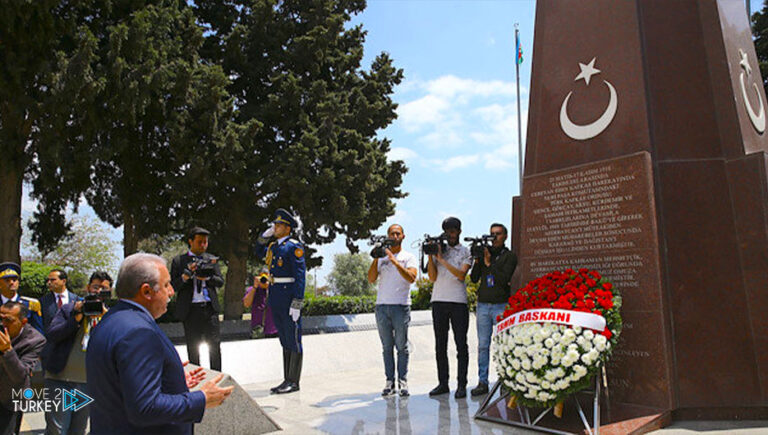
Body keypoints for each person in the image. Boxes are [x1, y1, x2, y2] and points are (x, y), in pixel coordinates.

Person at [86, 253, 233, 434]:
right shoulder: (138, 332)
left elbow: (120, 384)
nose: (171, 291)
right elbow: (145, 408)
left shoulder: (110, 321)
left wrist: (170, 382)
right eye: (166, 285)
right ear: (146, 291)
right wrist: (202, 399)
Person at [41, 271, 112, 435]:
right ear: (88, 288)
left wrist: (105, 317)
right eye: (95, 287)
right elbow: (52, 334)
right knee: (57, 430)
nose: (98, 291)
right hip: (60, 379)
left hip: (88, 383)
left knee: (78, 430)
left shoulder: (110, 316)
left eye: (103, 288)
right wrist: (76, 318)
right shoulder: (69, 308)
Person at [255, 208, 306, 394]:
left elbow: (300, 277)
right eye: (274, 225)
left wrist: (297, 303)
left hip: (288, 296)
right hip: (275, 296)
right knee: (284, 339)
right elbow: (258, 251)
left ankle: (294, 381)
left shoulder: (294, 247)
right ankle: (287, 379)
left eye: (279, 225)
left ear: (288, 228)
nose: (275, 228)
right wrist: (263, 236)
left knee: (293, 339)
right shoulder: (274, 247)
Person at [367, 224, 418, 397]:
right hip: (382, 306)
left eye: (397, 233)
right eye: (391, 233)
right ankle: (389, 381)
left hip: (401, 306)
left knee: (401, 346)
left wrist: (395, 262)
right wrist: (376, 257)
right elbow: (371, 278)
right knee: (386, 347)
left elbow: (411, 278)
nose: (394, 236)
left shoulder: (408, 257)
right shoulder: (381, 257)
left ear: (403, 236)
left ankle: (403, 381)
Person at [468, 223, 517, 396]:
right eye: (491, 234)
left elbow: (504, 279)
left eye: (498, 234)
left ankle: (506, 380)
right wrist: (478, 260)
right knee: (483, 345)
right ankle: (483, 381)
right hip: (483, 305)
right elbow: (473, 278)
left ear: (505, 236)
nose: (494, 237)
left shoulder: (509, 256)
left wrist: (489, 263)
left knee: (504, 345)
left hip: (501, 305)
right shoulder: (484, 254)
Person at [427, 217, 472, 398]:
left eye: (453, 231)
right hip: (438, 300)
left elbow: (461, 275)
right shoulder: (439, 250)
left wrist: (442, 260)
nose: (450, 235)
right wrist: (432, 257)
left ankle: (461, 384)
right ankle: (443, 383)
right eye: (447, 232)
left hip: (458, 302)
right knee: (440, 345)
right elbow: (431, 277)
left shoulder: (465, 251)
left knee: (461, 344)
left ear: (459, 231)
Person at [171, 227, 224, 371]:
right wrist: (185, 277)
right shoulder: (179, 261)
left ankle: (217, 377)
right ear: (190, 241)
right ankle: (197, 378)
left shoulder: (211, 260)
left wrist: (208, 278)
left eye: (205, 242)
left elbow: (220, 281)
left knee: (214, 346)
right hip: (190, 310)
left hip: (209, 308)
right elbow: (173, 286)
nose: (203, 245)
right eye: (199, 242)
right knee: (193, 347)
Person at [0, 301, 46, 435]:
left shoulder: (35, 340)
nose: (3, 324)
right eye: (0, 318)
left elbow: (20, 376)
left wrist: (8, 351)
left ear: (23, 321)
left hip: (10, 399)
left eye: (8, 320)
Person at [0, 263, 43, 335]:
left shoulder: (30, 304)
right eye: (7, 280)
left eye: (14, 280)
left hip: (25, 344)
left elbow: (38, 332)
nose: (11, 283)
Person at [40, 269, 80, 333]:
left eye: (53, 280)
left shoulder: (76, 300)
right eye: (48, 280)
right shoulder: (43, 301)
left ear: (63, 281)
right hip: (51, 340)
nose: (49, 283)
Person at [243, 272, 277, 339]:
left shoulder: (276, 289)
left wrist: (270, 287)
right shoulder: (252, 290)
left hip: (274, 330)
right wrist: (254, 288)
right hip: (258, 330)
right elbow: (246, 304)